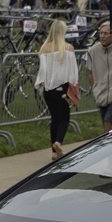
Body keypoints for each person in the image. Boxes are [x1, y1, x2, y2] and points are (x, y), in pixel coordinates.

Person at [34, 19, 77, 159]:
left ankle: (53, 151)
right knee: (64, 117)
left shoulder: (44, 48)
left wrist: (41, 84)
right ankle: (58, 142)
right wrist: (74, 84)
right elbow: (73, 70)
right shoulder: (68, 48)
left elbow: (42, 70)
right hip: (62, 88)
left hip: (48, 89)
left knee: (54, 118)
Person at [83, 22, 112, 132]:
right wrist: (94, 87)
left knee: (108, 122)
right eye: (101, 33)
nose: (102, 36)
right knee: (108, 124)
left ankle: (107, 141)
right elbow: (89, 71)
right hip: (101, 94)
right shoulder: (92, 51)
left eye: (106, 33)